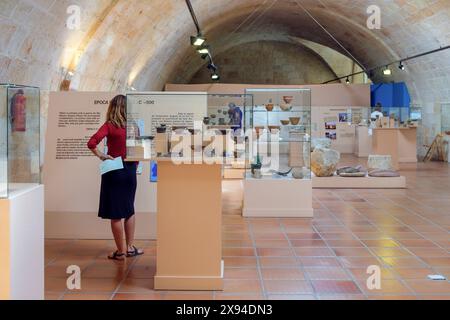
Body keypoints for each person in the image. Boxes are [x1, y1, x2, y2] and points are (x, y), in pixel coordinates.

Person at [87, 95, 144, 261]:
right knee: (129, 209)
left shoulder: (110, 126)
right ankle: (130, 247)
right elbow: (138, 150)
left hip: (114, 170)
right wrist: (133, 165)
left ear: (112, 107)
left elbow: (91, 142)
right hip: (130, 170)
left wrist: (102, 156)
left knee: (115, 214)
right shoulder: (134, 126)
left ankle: (120, 252)